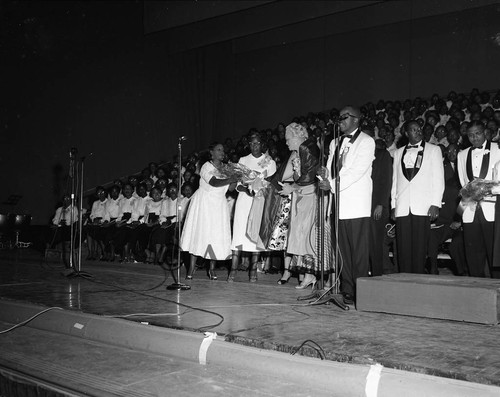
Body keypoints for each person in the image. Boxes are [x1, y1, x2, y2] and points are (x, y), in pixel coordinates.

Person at [319, 106, 374, 305]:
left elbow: (356, 171)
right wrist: (325, 173)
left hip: (356, 204)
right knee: (342, 251)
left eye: (345, 117)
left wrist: (331, 184)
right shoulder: (335, 142)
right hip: (338, 203)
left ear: (356, 120)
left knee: (358, 251)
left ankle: (362, 291)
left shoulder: (367, 142)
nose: (340, 120)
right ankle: (347, 288)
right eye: (339, 117)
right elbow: (335, 169)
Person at [391, 120, 445, 274]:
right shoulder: (398, 152)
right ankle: (404, 278)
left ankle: (418, 280)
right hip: (402, 206)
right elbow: (395, 181)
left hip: (423, 206)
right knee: (403, 248)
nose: (418, 131)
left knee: (420, 248)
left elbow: (438, 179)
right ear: (407, 133)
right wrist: (393, 205)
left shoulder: (434, 150)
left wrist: (436, 203)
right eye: (413, 129)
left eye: (419, 128)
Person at [180, 143, 237, 280]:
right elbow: (214, 182)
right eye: (218, 150)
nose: (222, 152)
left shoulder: (226, 168)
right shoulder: (206, 166)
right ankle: (191, 269)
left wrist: (236, 177)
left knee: (215, 235)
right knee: (199, 234)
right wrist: (231, 178)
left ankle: (211, 269)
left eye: (223, 150)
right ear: (211, 152)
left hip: (219, 204)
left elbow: (230, 189)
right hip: (204, 204)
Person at [278, 122, 322, 289]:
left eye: (288, 139)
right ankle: (307, 274)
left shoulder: (306, 148)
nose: (286, 142)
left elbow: (309, 177)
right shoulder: (299, 151)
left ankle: (310, 274)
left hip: (309, 196)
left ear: (296, 138)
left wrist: (292, 187)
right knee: (301, 235)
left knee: (306, 234)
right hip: (301, 196)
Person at [229, 133, 276, 282]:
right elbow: (238, 184)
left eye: (257, 143)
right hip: (244, 201)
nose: (254, 146)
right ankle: (233, 270)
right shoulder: (243, 160)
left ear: (262, 144)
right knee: (239, 233)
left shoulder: (269, 162)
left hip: (259, 201)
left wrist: (257, 188)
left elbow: (271, 184)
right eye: (252, 144)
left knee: (254, 234)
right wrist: (245, 189)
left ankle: (253, 271)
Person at [457, 121, 500, 277]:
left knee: (494, 252)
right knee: (473, 253)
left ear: (486, 132)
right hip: (470, 209)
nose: (474, 138)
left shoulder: (498, 149)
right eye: (470, 135)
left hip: (492, 209)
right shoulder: (461, 155)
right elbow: (463, 182)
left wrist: (485, 190)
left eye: (478, 133)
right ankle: (476, 285)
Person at [369, 139, 393, 276]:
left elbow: (387, 181)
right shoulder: (362, 156)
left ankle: (378, 274)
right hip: (363, 207)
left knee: (377, 244)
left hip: (377, 207)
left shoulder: (383, 155)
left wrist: (381, 204)